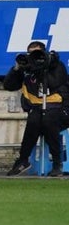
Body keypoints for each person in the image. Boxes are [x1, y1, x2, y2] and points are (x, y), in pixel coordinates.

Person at [4, 41, 69, 177]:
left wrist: (42, 67)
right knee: (35, 119)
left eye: (36, 54)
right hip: (38, 111)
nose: (33, 57)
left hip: (62, 110)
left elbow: (56, 82)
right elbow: (9, 85)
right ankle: (23, 160)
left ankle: (57, 163)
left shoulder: (57, 66)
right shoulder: (27, 69)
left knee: (47, 120)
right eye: (30, 54)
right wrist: (17, 68)